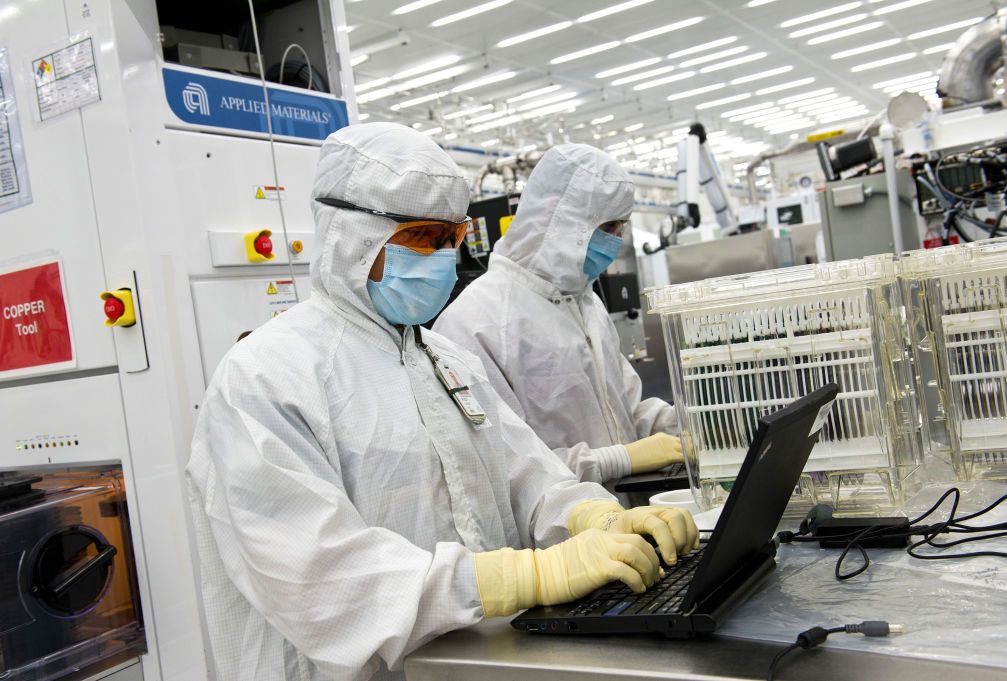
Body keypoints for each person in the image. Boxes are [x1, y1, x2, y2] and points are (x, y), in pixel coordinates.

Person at [185, 123, 698, 681]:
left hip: (472, 661)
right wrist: (522, 578)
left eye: (453, 238)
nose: (445, 258)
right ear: (353, 236)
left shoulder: (446, 359)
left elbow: (527, 475)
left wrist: (589, 517)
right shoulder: (266, 378)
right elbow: (322, 578)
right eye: (425, 237)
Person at [434, 144, 688, 485]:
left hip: (633, 517)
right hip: (565, 530)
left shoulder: (586, 304)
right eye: (607, 227)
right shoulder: (476, 322)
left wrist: (695, 426)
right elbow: (503, 468)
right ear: (559, 218)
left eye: (620, 229)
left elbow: (626, 412)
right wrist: (618, 459)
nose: (615, 241)